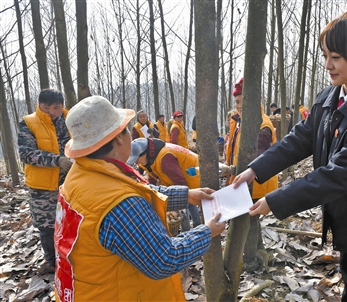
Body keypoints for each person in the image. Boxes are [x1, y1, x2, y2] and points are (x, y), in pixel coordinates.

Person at [233, 7, 347, 301]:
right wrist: (256, 169)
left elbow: (336, 175)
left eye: (337, 57)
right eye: (325, 56)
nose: (328, 65)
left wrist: (274, 201)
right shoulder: (330, 96)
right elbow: (300, 138)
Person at [54, 96, 225, 301]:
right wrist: (207, 232)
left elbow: (138, 191)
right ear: (119, 138)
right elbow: (164, 259)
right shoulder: (120, 204)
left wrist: (186, 195)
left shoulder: (79, 175)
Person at [225, 78, 278, 272]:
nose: (237, 106)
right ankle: (258, 250)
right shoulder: (241, 121)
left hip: (257, 181)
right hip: (243, 178)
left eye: (241, 102)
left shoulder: (261, 125)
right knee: (252, 218)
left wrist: (232, 170)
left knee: (249, 218)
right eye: (236, 102)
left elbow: (259, 160)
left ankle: (250, 259)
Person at [18, 88, 72, 271]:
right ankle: (52, 263)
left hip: (70, 181)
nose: (51, 111)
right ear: (39, 105)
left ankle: (70, 259)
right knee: (47, 226)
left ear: (62, 106)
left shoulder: (71, 119)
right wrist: (58, 161)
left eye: (56, 107)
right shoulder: (28, 122)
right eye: (46, 106)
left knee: (71, 221)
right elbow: (26, 154)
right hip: (42, 187)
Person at [127, 137, 202, 231]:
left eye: (137, 158)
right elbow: (152, 175)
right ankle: (196, 224)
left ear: (145, 153)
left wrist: (177, 199)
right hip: (185, 175)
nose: (137, 162)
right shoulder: (150, 159)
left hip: (194, 173)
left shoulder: (165, 159)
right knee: (189, 199)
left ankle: (187, 230)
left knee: (185, 202)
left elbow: (180, 183)